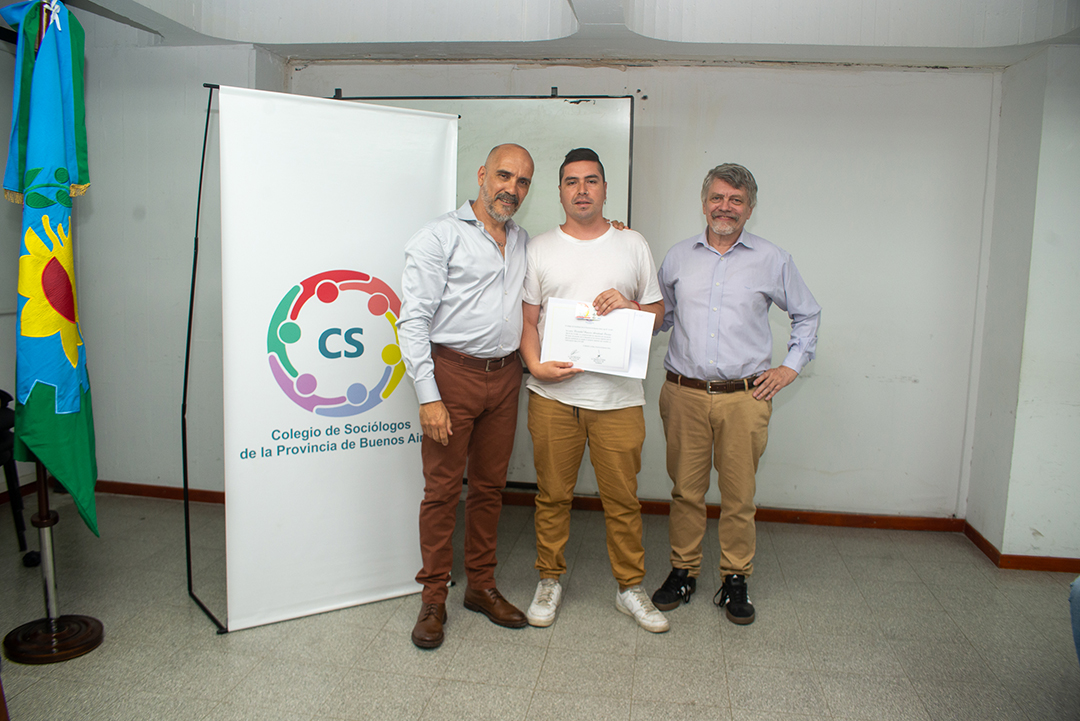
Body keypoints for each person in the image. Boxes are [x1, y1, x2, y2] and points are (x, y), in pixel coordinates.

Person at [651, 163, 820, 625]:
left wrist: (789, 367)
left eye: (736, 200)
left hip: (745, 399)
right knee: (685, 492)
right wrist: (615, 319)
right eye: (717, 197)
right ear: (704, 202)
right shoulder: (678, 257)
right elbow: (660, 317)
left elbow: (807, 314)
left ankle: (735, 577)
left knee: (739, 496)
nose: (725, 207)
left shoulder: (773, 259)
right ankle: (683, 572)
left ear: (750, 207)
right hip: (684, 394)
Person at [519, 148, 669, 633]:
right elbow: (528, 321)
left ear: (605, 188)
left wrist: (630, 306)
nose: (581, 190)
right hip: (553, 398)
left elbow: (658, 316)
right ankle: (549, 579)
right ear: (560, 191)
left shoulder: (632, 244)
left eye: (591, 180)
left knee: (623, 501)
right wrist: (535, 367)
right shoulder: (539, 248)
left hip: (618, 400)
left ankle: (630, 587)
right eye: (571, 182)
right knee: (552, 496)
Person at [397, 144, 534, 649]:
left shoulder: (521, 240)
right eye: (504, 175)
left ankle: (480, 586)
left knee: (489, 489)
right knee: (441, 491)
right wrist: (428, 396)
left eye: (522, 181)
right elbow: (412, 320)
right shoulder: (439, 236)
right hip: (451, 377)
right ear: (481, 175)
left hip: (505, 378)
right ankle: (434, 597)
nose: (511, 189)